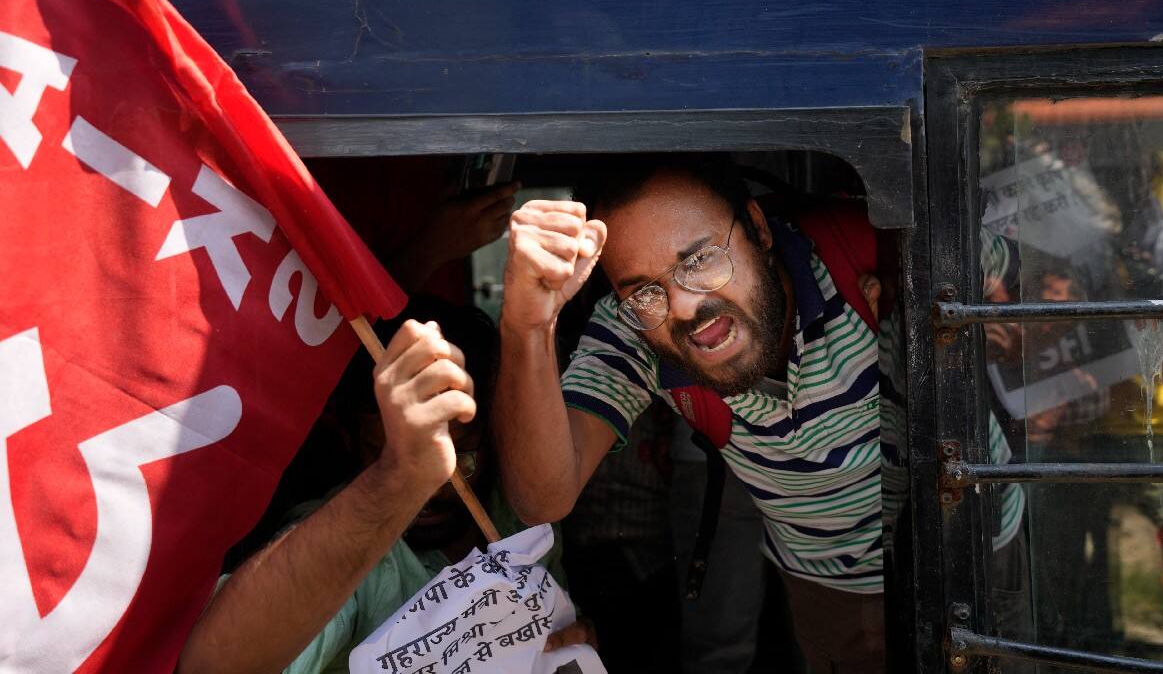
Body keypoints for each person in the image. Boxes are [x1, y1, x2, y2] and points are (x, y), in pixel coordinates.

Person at [493, 154, 1021, 672]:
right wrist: (526, 325)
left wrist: (986, 334)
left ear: (759, 230)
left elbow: (1039, 287)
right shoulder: (634, 330)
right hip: (824, 586)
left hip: (980, 544)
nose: (681, 307)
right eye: (646, 290)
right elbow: (543, 497)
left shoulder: (875, 244)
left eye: (699, 260)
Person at [179, 300, 590, 674]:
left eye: (461, 459)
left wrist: (571, 643)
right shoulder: (338, 557)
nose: (428, 487)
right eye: (390, 454)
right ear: (348, 434)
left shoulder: (523, 515)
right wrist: (398, 475)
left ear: (496, 438)